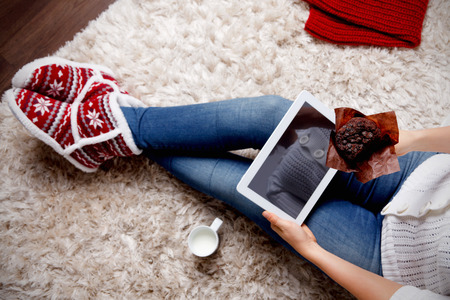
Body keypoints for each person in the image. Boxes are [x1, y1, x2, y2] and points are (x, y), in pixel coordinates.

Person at [4, 57, 450, 299]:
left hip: (389, 261)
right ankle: (126, 123)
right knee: (276, 116)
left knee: (247, 190)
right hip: (422, 171)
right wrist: (403, 139)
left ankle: (114, 122)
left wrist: (310, 251)